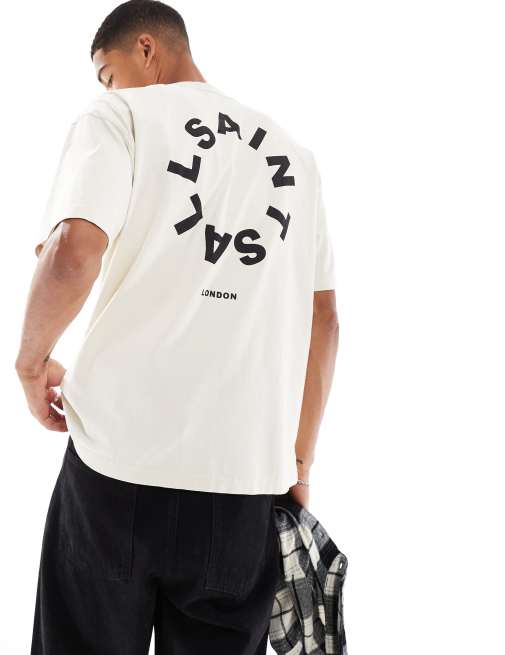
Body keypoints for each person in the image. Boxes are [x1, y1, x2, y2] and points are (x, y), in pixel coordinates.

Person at [15, 1, 339, 653]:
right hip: (242, 481)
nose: (107, 89)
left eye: (108, 74)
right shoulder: (294, 157)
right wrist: (297, 464)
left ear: (146, 48)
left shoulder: (121, 117)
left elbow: (73, 249)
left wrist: (31, 363)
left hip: (117, 468)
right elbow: (323, 319)